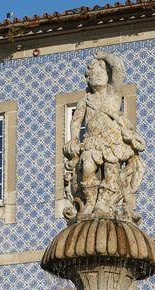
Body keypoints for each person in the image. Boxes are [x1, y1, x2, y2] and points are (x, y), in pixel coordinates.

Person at [63, 50, 145, 222]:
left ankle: (103, 203)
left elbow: (119, 69)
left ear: (108, 77)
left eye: (102, 73)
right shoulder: (85, 100)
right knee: (87, 168)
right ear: (89, 79)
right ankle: (90, 202)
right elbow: (76, 120)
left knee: (111, 170)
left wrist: (104, 57)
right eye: (94, 74)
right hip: (92, 141)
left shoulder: (113, 94)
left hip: (112, 140)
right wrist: (74, 138)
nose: (99, 76)